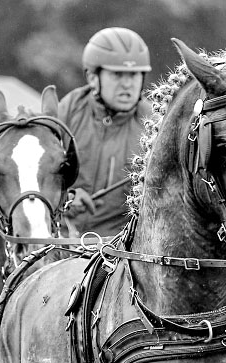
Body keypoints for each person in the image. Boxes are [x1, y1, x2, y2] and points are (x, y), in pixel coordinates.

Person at [57, 27, 152, 238]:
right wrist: (65, 196)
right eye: (118, 74)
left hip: (118, 249)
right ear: (92, 77)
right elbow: (38, 174)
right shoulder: (67, 111)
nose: (127, 84)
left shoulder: (154, 124)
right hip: (60, 240)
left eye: (134, 75)